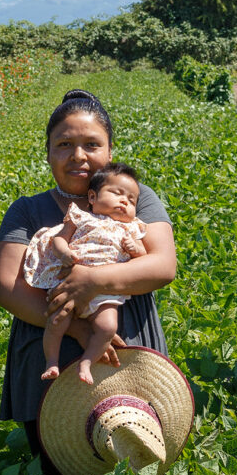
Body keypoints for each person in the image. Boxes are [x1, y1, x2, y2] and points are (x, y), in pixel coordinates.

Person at [0, 89, 177, 475]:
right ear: (48, 152)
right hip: (48, 349)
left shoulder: (135, 199)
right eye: (64, 145)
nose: (79, 156)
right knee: (58, 469)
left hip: (129, 344)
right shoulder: (27, 209)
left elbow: (162, 265)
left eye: (92, 144)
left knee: (134, 463)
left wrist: (90, 280)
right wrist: (78, 327)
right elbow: (6, 287)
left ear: (109, 151)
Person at [25, 162, 148, 384]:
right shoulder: (80, 217)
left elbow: (144, 257)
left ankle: (87, 362)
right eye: (117, 193)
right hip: (70, 284)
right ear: (92, 197)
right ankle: (51, 361)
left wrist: (135, 248)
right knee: (57, 320)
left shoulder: (131, 228)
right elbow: (60, 238)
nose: (124, 201)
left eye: (131, 201)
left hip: (106, 290)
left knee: (108, 327)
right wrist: (63, 253)